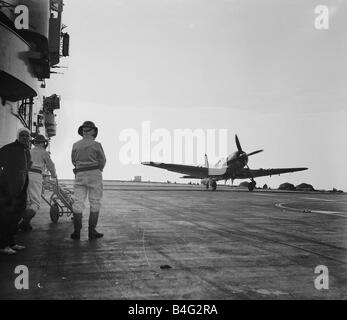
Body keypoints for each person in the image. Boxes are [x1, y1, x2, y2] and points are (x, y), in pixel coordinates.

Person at [70, 121, 106, 240]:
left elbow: (73, 160)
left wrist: (81, 168)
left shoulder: (75, 144)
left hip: (80, 174)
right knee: (95, 202)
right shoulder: (97, 145)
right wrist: (97, 169)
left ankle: (77, 232)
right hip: (94, 174)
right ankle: (92, 231)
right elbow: (103, 160)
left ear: (82, 131)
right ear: (94, 131)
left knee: (78, 202)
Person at [0, 128, 32, 255]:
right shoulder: (9, 148)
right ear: (18, 137)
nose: (25, 137)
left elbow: (26, 167)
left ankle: (11, 242)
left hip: (21, 188)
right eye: (22, 135)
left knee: (16, 216)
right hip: (8, 188)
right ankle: (3, 245)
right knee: (6, 217)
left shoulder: (26, 150)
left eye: (27, 136)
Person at [19, 135, 57, 231]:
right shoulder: (44, 152)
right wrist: (54, 175)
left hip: (25, 175)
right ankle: (24, 223)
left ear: (34, 143)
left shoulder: (29, 151)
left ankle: (24, 223)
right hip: (36, 176)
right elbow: (50, 165)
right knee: (35, 202)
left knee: (27, 201)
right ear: (43, 143)